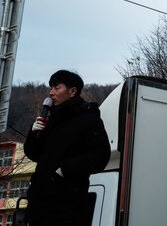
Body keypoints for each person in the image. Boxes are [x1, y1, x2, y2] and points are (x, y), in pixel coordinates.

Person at [24, 70, 110, 226]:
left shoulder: (88, 119)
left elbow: (100, 155)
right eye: (51, 88)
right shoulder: (51, 120)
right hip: (38, 209)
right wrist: (33, 134)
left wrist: (64, 169)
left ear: (72, 91)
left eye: (57, 88)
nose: (51, 93)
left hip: (67, 210)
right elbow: (35, 154)